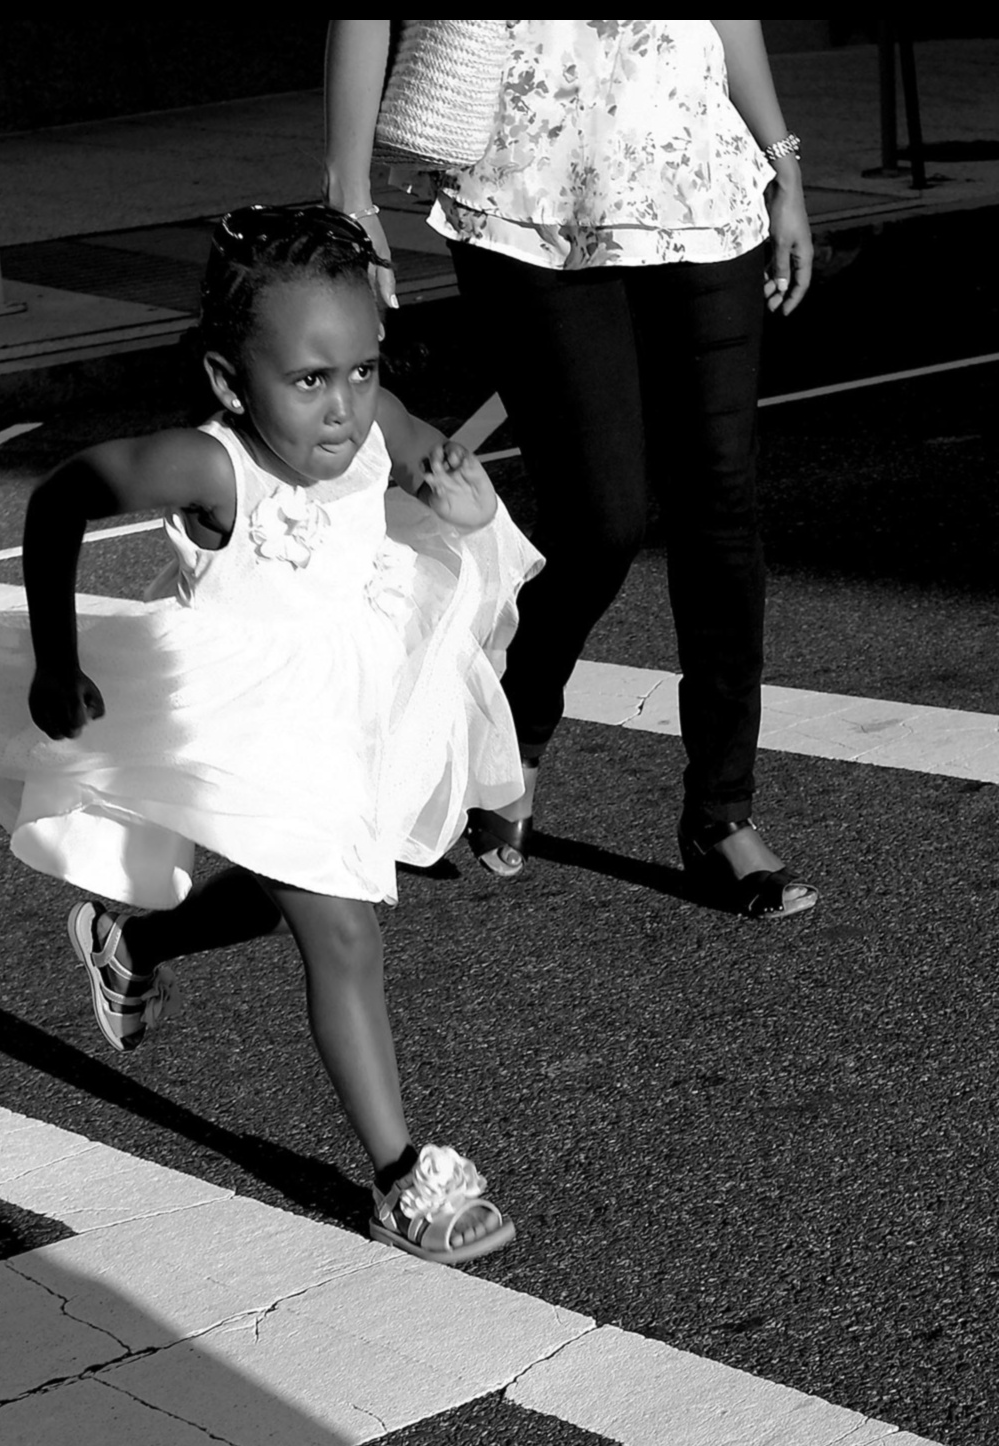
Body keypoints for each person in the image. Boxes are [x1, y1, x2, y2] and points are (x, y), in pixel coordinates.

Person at [0, 204, 542, 1264]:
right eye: (310, 381)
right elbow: (60, 499)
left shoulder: (374, 424)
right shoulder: (210, 466)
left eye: (361, 371)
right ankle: (401, 1175)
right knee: (342, 932)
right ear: (232, 383)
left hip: (354, 706)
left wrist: (457, 493)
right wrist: (54, 656)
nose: (343, 407)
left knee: (298, 901)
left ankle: (134, 934)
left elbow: (431, 464)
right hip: (246, 719)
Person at [326, 19, 817, 916]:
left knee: (721, 507)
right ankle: (513, 725)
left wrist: (781, 161)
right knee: (602, 516)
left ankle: (722, 810)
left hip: (701, 177)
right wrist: (351, 195)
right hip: (529, 197)